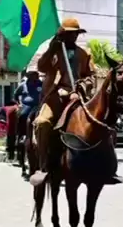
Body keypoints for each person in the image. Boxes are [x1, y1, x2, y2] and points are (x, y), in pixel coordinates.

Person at [29, 17, 96, 187]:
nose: (73, 37)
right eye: (69, 34)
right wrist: (51, 49)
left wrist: (80, 89)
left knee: (98, 122)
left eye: (75, 34)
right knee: (42, 122)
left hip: (77, 97)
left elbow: (91, 77)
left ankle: (102, 165)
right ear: (62, 35)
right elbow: (42, 67)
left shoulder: (84, 54)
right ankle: (43, 166)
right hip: (54, 98)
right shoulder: (53, 53)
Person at [14, 69, 43, 139]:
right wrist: (19, 103)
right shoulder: (23, 85)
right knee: (23, 115)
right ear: (29, 76)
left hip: (39, 105)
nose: (35, 76)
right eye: (33, 74)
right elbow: (16, 94)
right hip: (27, 105)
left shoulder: (41, 84)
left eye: (36, 74)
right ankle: (22, 134)